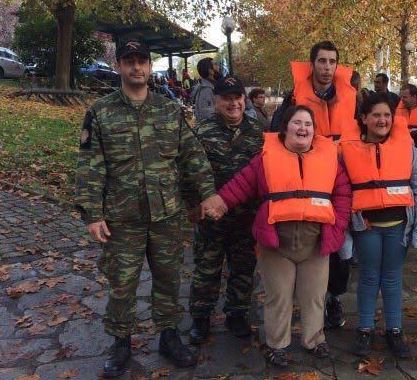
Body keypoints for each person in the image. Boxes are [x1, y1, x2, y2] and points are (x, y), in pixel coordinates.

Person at [75, 39, 221, 377]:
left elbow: (192, 156)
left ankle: (169, 336)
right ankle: (121, 341)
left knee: (168, 279)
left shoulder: (169, 111)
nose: (137, 67)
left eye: (142, 61)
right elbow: (91, 165)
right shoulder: (101, 112)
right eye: (130, 61)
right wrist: (92, 213)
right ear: (121, 66)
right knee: (122, 282)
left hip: (166, 215)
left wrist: (207, 194)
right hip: (122, 217)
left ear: (149, 66)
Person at [207, 105, 352, 367]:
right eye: (297, 123)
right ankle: (277, 345)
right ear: (285, 128)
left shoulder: (330, 159)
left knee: (315, 295)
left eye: (308, 124)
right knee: (279, 296)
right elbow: (241, 184)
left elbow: (342, 194)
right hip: (277, 242)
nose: (303, 128)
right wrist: (219, 202)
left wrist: (339, 225)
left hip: (315, 241)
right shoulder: (265, 158)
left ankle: (314, 339)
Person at [270, 40, 358, 330]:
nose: (327, 68)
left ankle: (333, 298)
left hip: (341, 179)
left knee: (340, 244)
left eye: (332, 62)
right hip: (305, 179)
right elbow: (276, 134)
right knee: (310, 241)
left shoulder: (353, 97)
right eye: (322, 61)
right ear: (313, 64)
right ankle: (303, 300)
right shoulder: (293, 98)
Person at [341, 92, 417, 359]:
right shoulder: (347, 152)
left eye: (387, 115)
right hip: (365, 227)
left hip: (398, 227)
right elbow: (341, 193)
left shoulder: (408, 149)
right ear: (364, 118)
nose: (382, 120)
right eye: (376, 115)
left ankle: (394, 329)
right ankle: (365, 329)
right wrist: (346, 235)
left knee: (392, 278)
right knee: (368, 277)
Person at [188, 75, 265, 343]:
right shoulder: (202, 131)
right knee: (207, 267)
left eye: (237, 98)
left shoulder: (259, 132)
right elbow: (188, 172)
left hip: (246, 215)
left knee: (243, 267)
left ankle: (237, 313)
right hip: (211, 216)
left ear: (244, 99)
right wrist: (192, 205)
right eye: (226, 98)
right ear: (216, 100)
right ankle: (201, 317)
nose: (233, 103)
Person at [191, 57, 219, 123]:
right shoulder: (206, 90)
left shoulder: (211, 85)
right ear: (210, 70)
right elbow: (207, 116)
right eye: (215, 64)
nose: (218, 66)